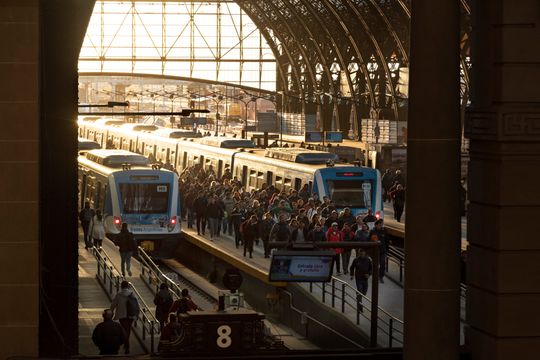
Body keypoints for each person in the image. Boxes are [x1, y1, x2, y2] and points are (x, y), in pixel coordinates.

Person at [110, 280, 139, 354]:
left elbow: (113, 304)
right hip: (131, 315)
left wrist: (111, 312)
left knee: (124, 330)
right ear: (128, 286)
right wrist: (136, 314)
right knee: (128, 330)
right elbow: (136, 304)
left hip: (122, 316)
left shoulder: (119, 295)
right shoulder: (132, 294)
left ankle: (127, 346)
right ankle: (126, 344)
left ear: (121, 286)